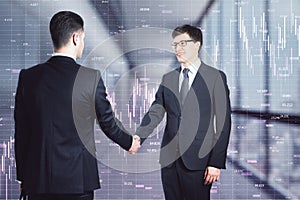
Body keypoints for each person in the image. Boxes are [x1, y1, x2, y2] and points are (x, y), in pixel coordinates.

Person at [14, 11, 140, 200]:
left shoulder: (28, 78)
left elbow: (22, 133)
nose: (82, 44)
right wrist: (129, 142)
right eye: (82, 39)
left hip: (39, 183)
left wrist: (24, 178)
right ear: (75, 38)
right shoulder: (90, 78)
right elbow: (107, 122)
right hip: (78, 182)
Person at [136, 24, 231, 200]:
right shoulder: (169, 78)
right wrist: (138, 137)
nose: (178, 49)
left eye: (183, 43)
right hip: (170, 159)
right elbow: (156, 111)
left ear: (197, 45)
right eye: (175, 44)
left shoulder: (215, 77)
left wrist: (215, 162)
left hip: (199, 160)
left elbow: (224, 123)